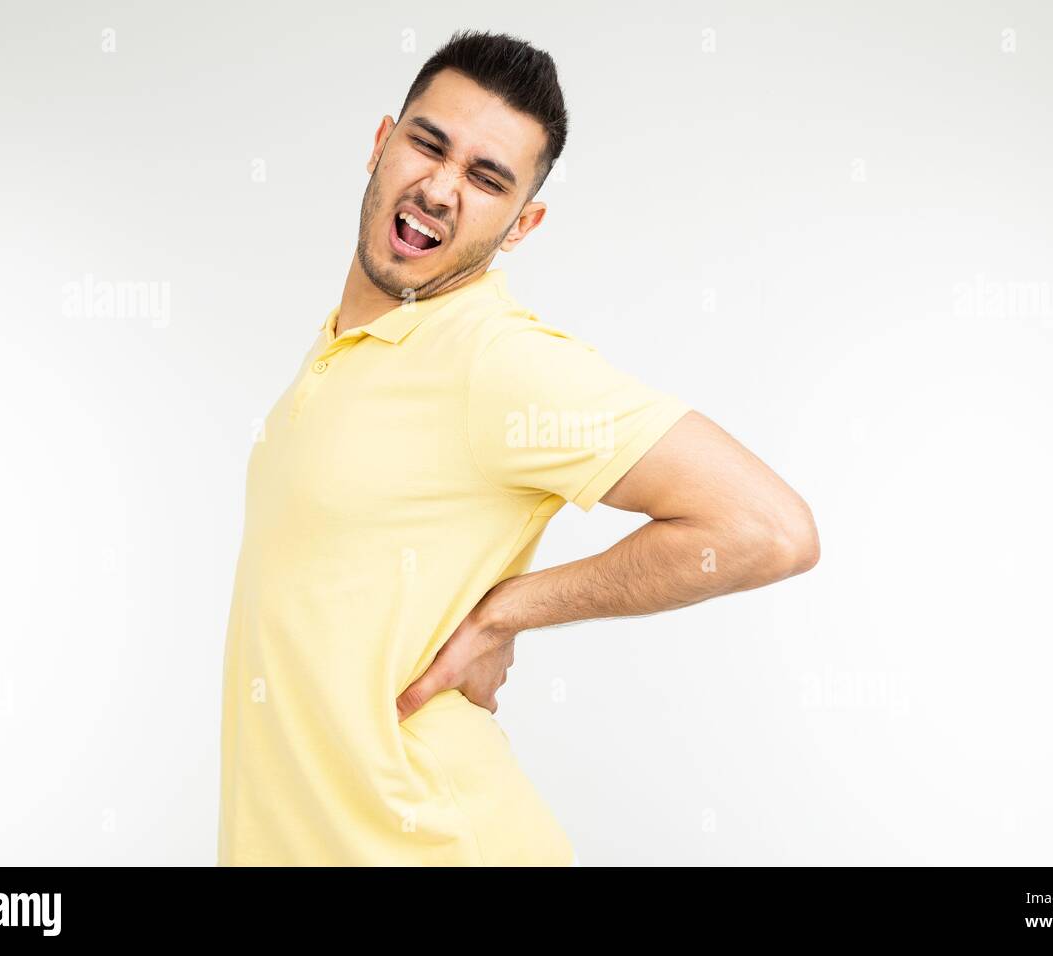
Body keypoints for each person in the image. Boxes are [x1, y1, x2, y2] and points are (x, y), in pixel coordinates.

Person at [217, 29, 819, 867]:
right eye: (428, 144)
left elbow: (767, 529)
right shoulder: (336, 349)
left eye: (485, 177)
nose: (438, 186)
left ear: (523, 223)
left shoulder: (493, 359)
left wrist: (508, 612)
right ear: (379, 144)